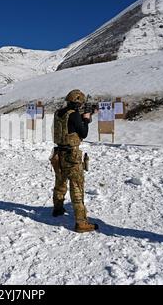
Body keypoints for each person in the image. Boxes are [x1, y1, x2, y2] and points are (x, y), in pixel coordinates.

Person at [50, 90, 99, 233]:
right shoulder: (74, 114)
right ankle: (81, 222)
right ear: (78, 102)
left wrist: (85, 116)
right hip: (72, 154)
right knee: (76, 186)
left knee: (60, 181)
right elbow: (83, 133)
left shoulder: (59, 113)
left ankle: (57, 209)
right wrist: (86, 120)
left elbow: (68, 127)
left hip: (59, 153)